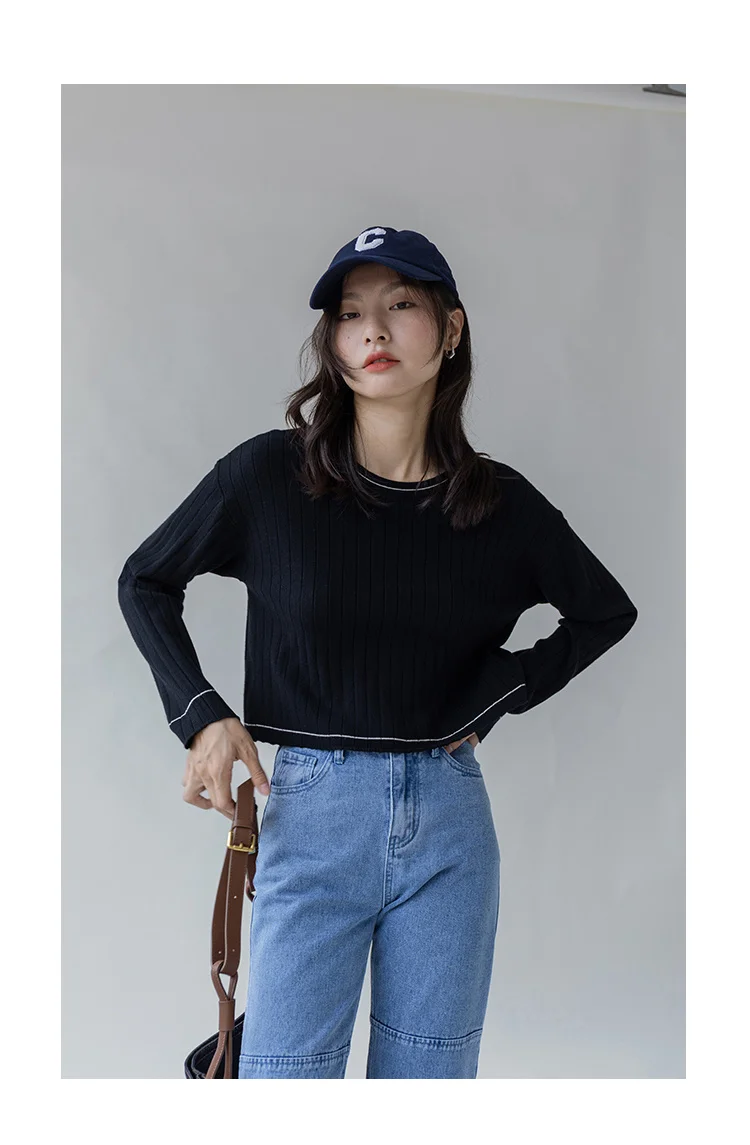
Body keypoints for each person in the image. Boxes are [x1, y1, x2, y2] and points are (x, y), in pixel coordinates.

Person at [117, 224, 638, 1079]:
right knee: (284, 1079)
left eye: (400, 304)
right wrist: (202, 715)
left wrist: (501, 687)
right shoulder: (268, 478)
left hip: (450, 823)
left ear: (452, 328)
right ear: (332, 340)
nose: (374, 330)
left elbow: (604, 611)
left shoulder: (500, 505)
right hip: (311, 814)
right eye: (351, 313)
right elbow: (145, 579)